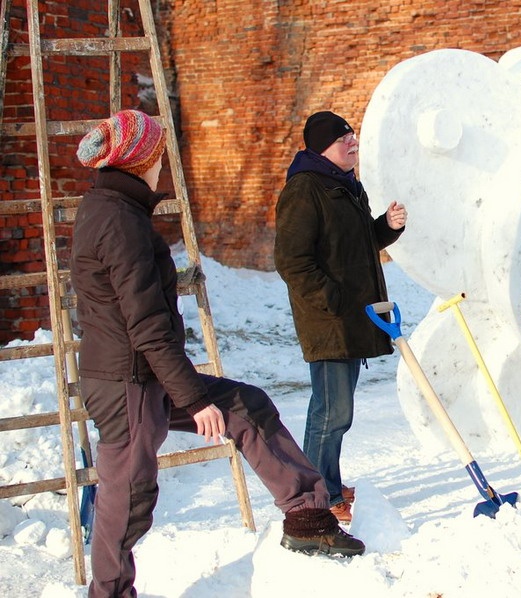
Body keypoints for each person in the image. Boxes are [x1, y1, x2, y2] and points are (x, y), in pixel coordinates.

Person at [70, 110, 364, 597]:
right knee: (127, 497)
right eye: (158, 155)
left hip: (143, 374)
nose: (162, 164)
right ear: (141, 160)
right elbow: (146, 325)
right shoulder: (119, 223)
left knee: (247, 406)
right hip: (128, 382)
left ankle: (307, 518)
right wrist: (192, 398)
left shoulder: (115, 211)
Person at [274, 111, 406, 522]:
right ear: (322, 148)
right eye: (343, 138)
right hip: (328, 320)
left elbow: (360, 242)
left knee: (337, 412)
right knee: (331, 412)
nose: (353, 142)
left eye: (353, 135)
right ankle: (315, 499)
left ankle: (327, 482)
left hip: (350, 317)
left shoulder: (345, 186)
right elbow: (291, 261)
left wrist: (385, 227)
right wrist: (333, 299)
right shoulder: (304, 190)